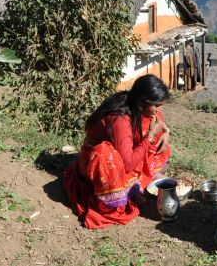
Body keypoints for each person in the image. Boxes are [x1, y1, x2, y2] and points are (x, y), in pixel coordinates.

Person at [64, 75, 172, 229]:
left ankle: (139, 180)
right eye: (157, 105)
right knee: (107, 152)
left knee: (154, 128)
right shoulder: (119, 120)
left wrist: (166, 132)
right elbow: (127, 164)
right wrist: (150, 136)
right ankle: (125, 191)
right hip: (98, 163)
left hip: (121, 155)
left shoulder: (134, 103)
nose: (158, 110)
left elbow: (158, 120)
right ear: (142, 102)